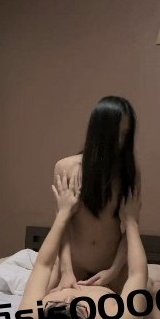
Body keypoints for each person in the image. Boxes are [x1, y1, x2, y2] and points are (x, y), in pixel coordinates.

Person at [17, 174, 160, 319]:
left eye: (57, 306)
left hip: (78, 272)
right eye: (78, 309)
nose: (70, 297)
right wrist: (131, 222)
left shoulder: (28, 318)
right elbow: (137, 273)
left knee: (52, 275)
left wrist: (62, 214)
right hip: (115, 291)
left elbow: (43, 265)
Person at [49, 96, 140, 294]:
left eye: (125, 134)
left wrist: (113, 271)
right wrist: (66, 271)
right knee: (38, 307)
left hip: (111, 265)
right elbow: (61, 225)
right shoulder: (66, 167)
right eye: (115, 134)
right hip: (73, 264)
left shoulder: (128, 172)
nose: (120, 142)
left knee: (148, 306)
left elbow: (131, 230)